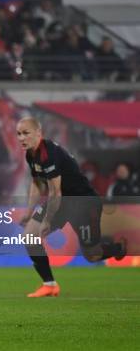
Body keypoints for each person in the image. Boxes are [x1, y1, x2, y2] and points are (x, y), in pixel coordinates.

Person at [17, 117, 126, 298]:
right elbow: (37, 183)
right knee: (30, 236)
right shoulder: (31, 154)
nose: (21, 138)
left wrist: (47, 221)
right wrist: (28, 212)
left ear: (38, 133)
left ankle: (117, 249)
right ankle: (50, 285)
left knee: (92, 255)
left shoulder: (48, 154)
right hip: (63, 202)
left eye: (26, 133)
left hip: (83, 203)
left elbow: (55, 193)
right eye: (19, 134)